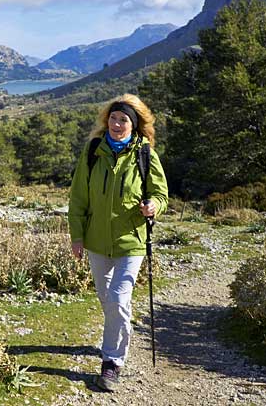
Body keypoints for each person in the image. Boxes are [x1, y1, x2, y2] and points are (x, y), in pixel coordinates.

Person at [68, 93, 168, 392]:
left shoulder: (145, 154)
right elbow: (78, 198)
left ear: (134, 125)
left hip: (131, 242)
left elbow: (161, 195)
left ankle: (111, 363)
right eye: (113, 118)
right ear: (106, 121)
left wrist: (154, 206)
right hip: (97, 241)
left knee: (118, 298)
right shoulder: (93, 151)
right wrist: (77, 235)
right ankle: (119, 332)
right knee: (108, 300)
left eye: (123, 120)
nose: (117, 124)